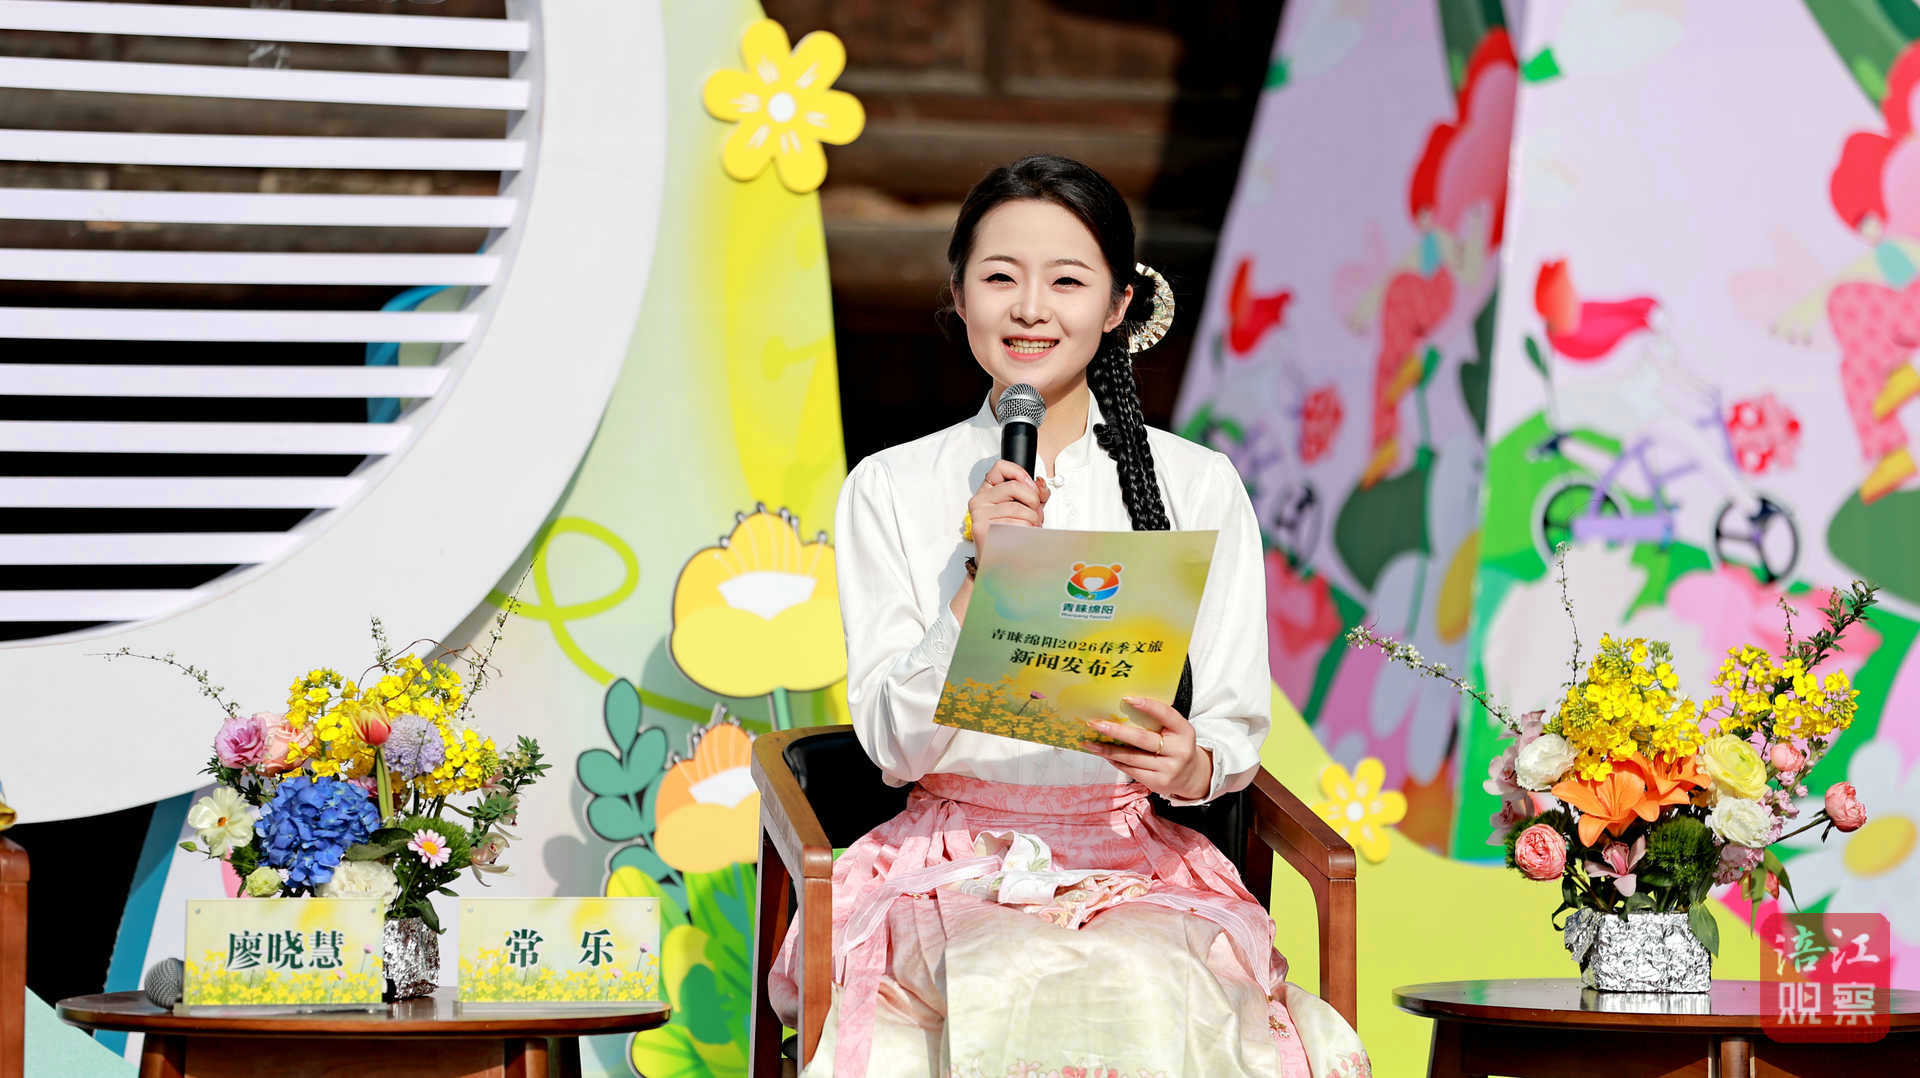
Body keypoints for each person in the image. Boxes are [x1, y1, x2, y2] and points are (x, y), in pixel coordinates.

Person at [768, 155, 1371, 1078]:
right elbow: (892, 746)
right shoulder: (891, 486)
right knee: (1009, 974)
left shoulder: (1198, 484)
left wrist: (1191, 763)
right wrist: (982, 576)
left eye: (1066, 281)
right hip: (949, 862)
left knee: (1142, 980)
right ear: (958, 295)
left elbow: (1232, 722)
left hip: (1136, 862)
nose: (1029, 309)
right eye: (999, 278)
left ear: (1119, 304)